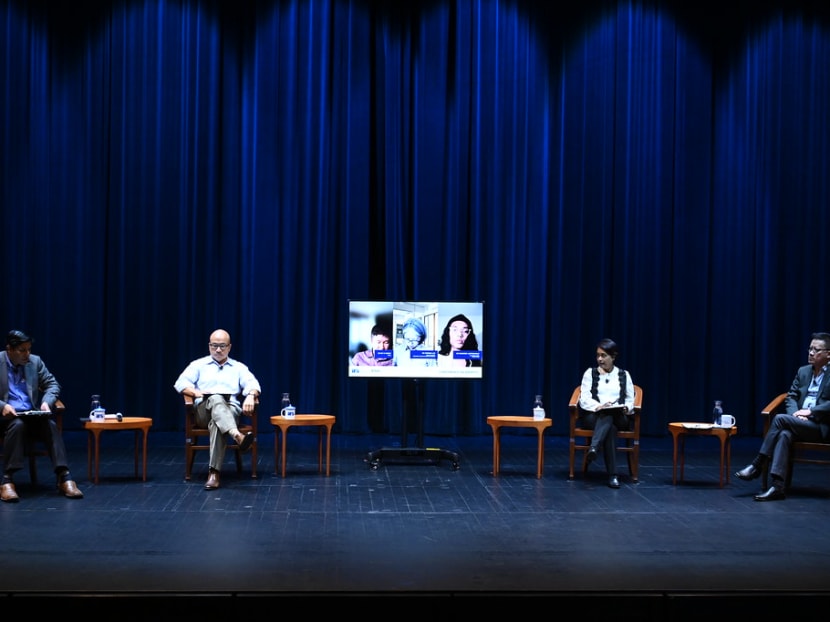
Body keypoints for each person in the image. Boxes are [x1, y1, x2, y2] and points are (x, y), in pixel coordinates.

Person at [735, 332, 830, 501]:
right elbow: (791, 396)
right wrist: (795, 415)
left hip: (820, 426)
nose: (811, 353)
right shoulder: (803, 371)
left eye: (816, 350)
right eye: (810, 349)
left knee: (779, 419)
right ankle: (778, 487)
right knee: (785, 434)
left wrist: (811, 412)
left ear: (828, 354)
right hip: (799, 422)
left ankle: (757, 464)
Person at [0, 329, 83, 502]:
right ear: (9, 349)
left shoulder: (34, 362)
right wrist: (3, 406)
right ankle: (7, 481)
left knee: (50, 426)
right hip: (6, 420)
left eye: (29, 349)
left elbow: (52, 384)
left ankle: (64, 477)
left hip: (31, 416)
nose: (27, 354)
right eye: (22, 350)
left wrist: (47, 402)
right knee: (17, 425)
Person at [174, 328, 260, 490]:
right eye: (214, 346)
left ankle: (214, 474)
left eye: (222, 346)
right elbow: (180, 383)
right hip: (203, 411)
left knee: (217, 424)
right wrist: (196, 392)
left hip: (230, 410)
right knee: (215, 397)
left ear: (229, 347)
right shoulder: (198, 365)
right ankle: (237, 435)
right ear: (209, 346)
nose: (218, 349)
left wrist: (250, 395)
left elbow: (253, 384)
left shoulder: (238, 367)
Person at [577, 337, 635, 489]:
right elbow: (584, 398)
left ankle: (594, 447)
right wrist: (599, 406)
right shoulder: (590, 373)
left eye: (604, 355)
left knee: (611, 415)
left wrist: (625, 408)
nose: (600, 359)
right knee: (609, 426)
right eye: (598, 355)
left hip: (619, 416)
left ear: (613, 357)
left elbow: (631, 399)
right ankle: (613, 476)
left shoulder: (624, 375)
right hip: (594, 416)